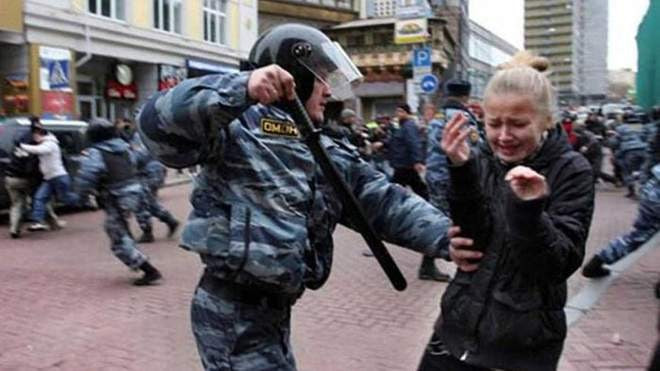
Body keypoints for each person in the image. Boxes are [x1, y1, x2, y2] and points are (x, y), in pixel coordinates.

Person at [137, 24, 452, 371]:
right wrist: (240, 87)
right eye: (320, 78)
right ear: (295, 75)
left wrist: (450, 239)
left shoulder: (322, 145)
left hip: (274, 310)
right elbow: (156, 125)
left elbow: (384, 201)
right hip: (231, 312)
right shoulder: (235, 128)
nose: (328, 91)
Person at [417, 51, 595, 371]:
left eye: (517, 124)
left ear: (546, 121)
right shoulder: (482, 157)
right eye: (493, 123)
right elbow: (475, 240)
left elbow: (555, 264)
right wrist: (461, 169)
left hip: (522, 349)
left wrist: (527, 210)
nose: (503, 136)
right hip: (454, 333)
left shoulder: (571, 170)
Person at [74, 118, 163, 286]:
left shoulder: (97, 152)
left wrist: (80, 197)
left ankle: (148, 269)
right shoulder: (125, 147)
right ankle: (135, 252)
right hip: (135, 193)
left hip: (116, 196)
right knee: (121, 227)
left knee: (116, 236)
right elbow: (141, 159)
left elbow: (88, 175)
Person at [582, 122, 659, 278]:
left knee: (638, 235)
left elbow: (649, 157)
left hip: (654, 187)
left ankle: (597, 261)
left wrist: (643, 184)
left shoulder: (653, 131)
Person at [115, 118, 179, 243]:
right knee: (149, 202)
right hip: (145, 173)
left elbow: (139, 157)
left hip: (150, 173)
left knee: (140, 202)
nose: (123, 129)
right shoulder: (126, 139)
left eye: (125, 125)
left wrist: (126, 156)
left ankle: (147, 231)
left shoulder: (138, 138)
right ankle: (170, 221)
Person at [4, 123, 63, 238]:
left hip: (10, 178)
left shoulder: (17, 148)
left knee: (16, 204)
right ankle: (53, 223)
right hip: (27, 179)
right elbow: (36, 167)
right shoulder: (35, 149)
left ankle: (14, 228)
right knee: (40, 200)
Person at [19, 118, 79, 231]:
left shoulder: (50, 144)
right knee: (39, 197)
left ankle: (83, 198)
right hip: (50, 178)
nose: (34, 138)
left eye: (35, 136)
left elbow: (39, 150)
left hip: (58, 176)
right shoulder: (47, 143)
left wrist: (22, 146)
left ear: (40, 135)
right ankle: (38, 222)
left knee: (65, 199)